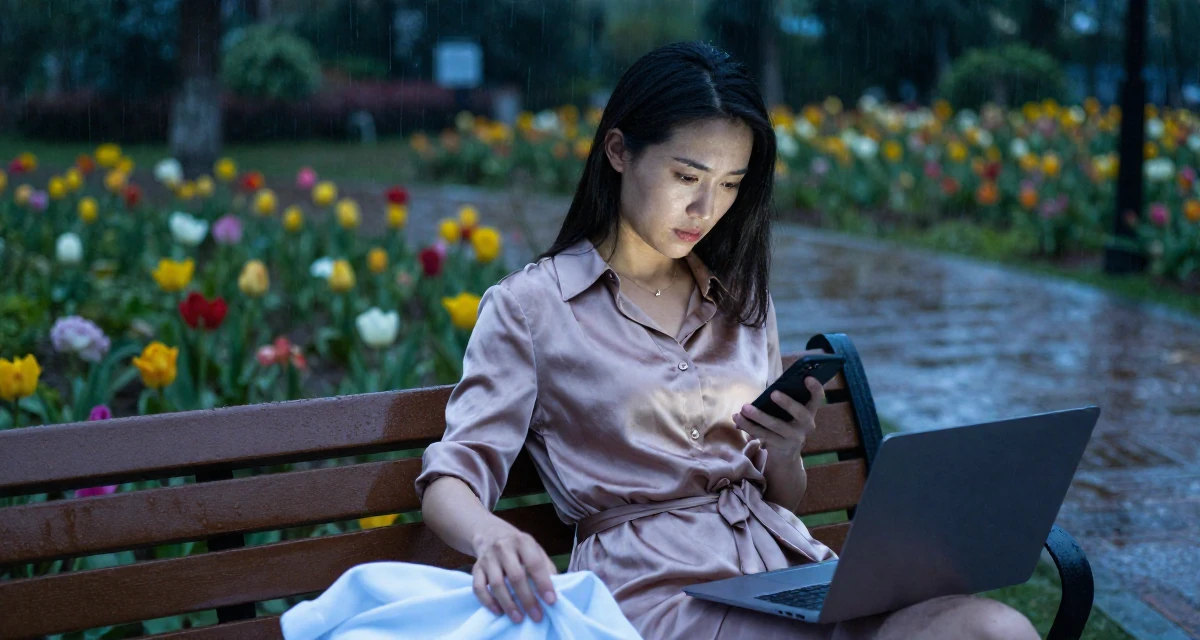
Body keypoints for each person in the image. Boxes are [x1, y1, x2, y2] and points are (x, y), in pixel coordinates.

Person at [415, 42, 1039, 640]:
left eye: (732, 184)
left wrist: (785, 450)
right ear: (618, 151)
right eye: (688, 175)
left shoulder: (744, 301)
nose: (706, 208)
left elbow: (781, 493)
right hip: (654, 594)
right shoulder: (531, 308)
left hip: (783, 572)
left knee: (994, 628)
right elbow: (453, 476)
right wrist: (492, 537)